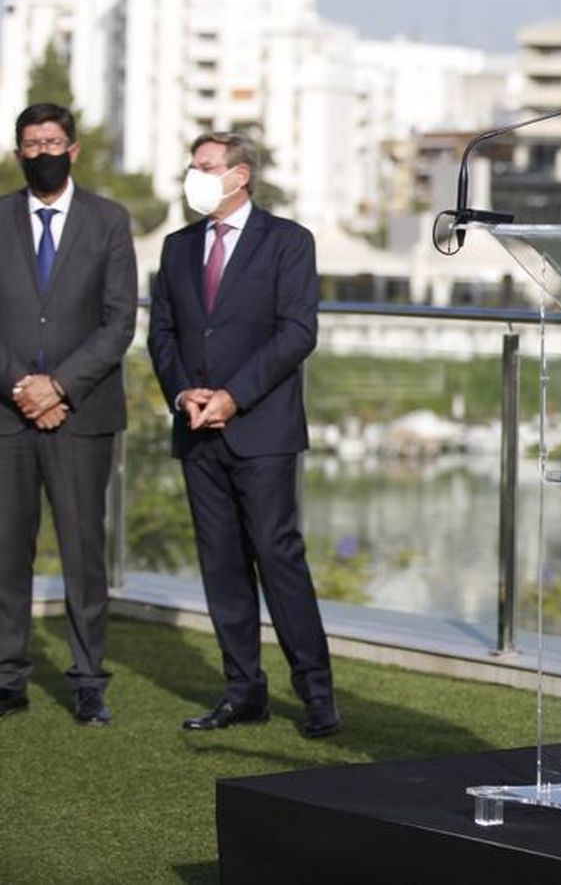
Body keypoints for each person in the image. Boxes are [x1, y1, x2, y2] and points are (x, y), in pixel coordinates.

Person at [147, 131, 339, 738]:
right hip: (197, 430)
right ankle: (243, 691)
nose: (194, 177)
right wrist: (184, 393)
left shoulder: (287, 242)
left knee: (279, 560)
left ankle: (315, 694)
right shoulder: (178, 248)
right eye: (192, 166)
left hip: (262, 431)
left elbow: (296, 332)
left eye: (205, 167)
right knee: (221, 565)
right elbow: (164, 334)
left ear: (239, 175)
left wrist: (234, 395)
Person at [0, 103, 136, 725]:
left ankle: (88, 680)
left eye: (52, 141)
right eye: (31, 143)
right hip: (8, 416)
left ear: (73, 149)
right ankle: (8, 676)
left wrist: (58, 388)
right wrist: (21, 387)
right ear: (18, 152)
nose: (42, 151)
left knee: (83, 550)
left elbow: (119, 323)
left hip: (82, 416)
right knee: (7, 550)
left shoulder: (109, 220)